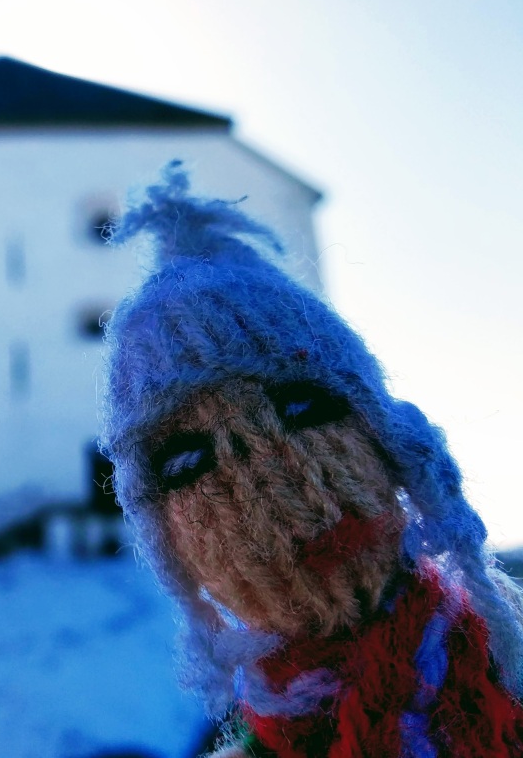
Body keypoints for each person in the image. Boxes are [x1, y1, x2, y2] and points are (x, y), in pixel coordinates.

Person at [100, 162, 523, 757]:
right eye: (188, 462)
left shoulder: (506, 661)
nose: (273, 481)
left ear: (390, 439)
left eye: (302, 407)